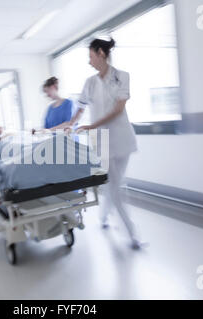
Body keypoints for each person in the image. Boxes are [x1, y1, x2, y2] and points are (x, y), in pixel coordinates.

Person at [66, 38, 144, 250]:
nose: (89, 61)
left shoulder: (122, 77)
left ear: (101, 53)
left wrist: (91, 126)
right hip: (103, 141)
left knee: (114, 184)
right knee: (115, 187)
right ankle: (133, 235)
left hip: (122, 137)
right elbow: (80, 107)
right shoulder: (90, 82)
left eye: (91, 56)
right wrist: (71, 124)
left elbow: (118, 110)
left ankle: (103, 218)